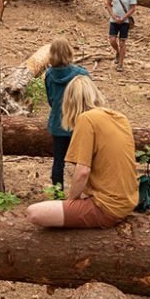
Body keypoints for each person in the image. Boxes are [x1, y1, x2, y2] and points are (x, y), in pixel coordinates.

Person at [26, 76, 138, 229]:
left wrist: (71, 202)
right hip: (128, 202)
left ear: (70, 102)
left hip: (107, 207)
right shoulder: (120, 118)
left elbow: (82, 171)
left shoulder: (86, 119)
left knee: (34, 212)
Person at [44, 38, 90, 190]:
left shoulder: (49, 75)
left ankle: (57, 193)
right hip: (79, 123)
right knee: (83, 161)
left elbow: (51, 99)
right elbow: (89, 98)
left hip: (58, 124)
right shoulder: (81, 74)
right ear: (69, 52)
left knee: (58, 161)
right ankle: (83, 191)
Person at [105, 0, 137, 72]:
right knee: (112, 40)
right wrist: (113, 15)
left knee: (122, 42)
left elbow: (133, 8)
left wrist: (124, 17)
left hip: (125, 21)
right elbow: (108, 4)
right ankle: (117, 52)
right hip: (114, 20)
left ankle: (120, 64)